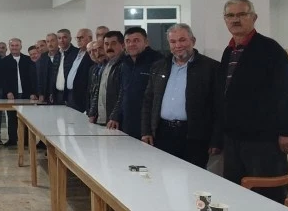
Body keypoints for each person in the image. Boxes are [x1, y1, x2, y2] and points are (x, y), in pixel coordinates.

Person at [215, 0, 288, 204]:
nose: (235, 19)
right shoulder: (229, 51)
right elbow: (224, 95)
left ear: (254, 17)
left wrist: (287, 132)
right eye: (230, 15)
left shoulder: (270, 49)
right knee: (235, 191)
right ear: (225, 20)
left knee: (267, 193)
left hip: (264, 139)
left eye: (241, 14)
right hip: (233, 138)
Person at [141, 24, 219, 168]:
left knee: (193, 177)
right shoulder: (159, 66)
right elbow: (148, 100)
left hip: (195, 137)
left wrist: (216, 140)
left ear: (193, 41)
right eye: (173, 41)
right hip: (163, 133)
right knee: (163, 174)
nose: (178, 45)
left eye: (182, 40)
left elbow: (218, 106)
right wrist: (146, 131)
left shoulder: (211, 67)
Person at [110, 27, 162, 138]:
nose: (131, 44)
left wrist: (148, 130)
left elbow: (157, 98)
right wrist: (115, 116)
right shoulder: (124, 63)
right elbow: (123, 92)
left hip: (149, 126)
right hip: (127, 122)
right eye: (128, 41)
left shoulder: (158, 62)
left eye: (136, 40)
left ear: (146, 42)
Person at [1, 38, 37, 146]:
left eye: (17, 45)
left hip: (26, 94)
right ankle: (12, 140)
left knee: (26, 118)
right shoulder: (4, 61)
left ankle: (26, 141)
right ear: (9, 47)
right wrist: (8, 92)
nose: (14, 47)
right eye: (12, 46)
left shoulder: (27, 60)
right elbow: (3, 79)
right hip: (12, 95)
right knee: (12, 118)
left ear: (21, 47)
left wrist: (32, 92)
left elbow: (32, 78)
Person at [88, 31, 125, 126]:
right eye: (106, 44)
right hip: (102, 118)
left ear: (122, 45)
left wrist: (114, 117)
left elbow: (122, 94)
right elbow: (98, 91)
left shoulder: (125, 65)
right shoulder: (105, 64)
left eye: (113, 43)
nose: (109, 47)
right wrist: (92, 113)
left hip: (115, 121)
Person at [66, 28, 94, 112]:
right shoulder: (75, 53)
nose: (78, 40)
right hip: (70, 94)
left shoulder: (92, 55)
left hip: (81, 96)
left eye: (81, 37)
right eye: (77, 38)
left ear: (90, 38)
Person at [52, 28, 80, 106]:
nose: (62, 40)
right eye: (59, 38)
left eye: (64, 37)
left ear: (70, 39)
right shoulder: (57, 54)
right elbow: (54, 74)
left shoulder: (76, 53)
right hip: (57, 93)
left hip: (70, 94)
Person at [85, 39, 108, 119]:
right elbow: (90, 91)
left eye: (100, 48)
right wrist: (89, 111)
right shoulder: (93, 69)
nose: (96, 53)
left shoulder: (109, 67)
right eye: (90, 52)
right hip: (94, 111)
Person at [36, 33, 59, 103]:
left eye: (52, 41)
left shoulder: (63, 55)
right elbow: (40, 77)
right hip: (46, 93)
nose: (50, 44)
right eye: (48, 41)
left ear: (57, 41)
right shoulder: (43, 57)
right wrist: (41, 94)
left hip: (59, 93)